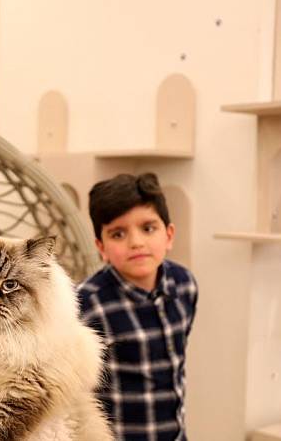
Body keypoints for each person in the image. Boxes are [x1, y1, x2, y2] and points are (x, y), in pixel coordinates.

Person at [77, 172, 198, 441]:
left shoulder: (185, 285)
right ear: (101, 247)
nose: (136, 242)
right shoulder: (87, 302)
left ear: (169, 235)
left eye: (148, 228)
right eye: (118, 234)